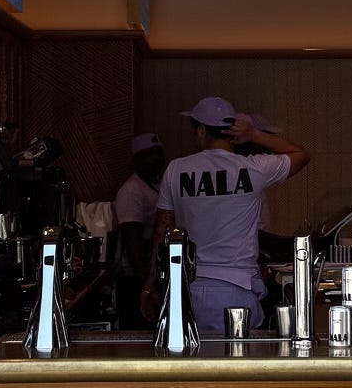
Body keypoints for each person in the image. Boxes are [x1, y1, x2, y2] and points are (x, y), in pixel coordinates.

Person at [144, 96, 309, 333]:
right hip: (237, 289)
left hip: (187, 288)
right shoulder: (254, 168)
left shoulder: (175, 170)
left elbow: (162, 231)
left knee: (188, 356)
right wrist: (254, 134)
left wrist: (151, 282)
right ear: (231, 132)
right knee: (238, 356)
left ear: (201, 131)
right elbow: (300, 154)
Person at [112, 134, 165, 328]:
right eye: (149, 154)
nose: (156, 159)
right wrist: (146, 285)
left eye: (159, 153)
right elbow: (132, 241)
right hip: (135, 277)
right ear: (136, 160)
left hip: (151, 274)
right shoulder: (131, 191)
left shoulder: (157, 184)